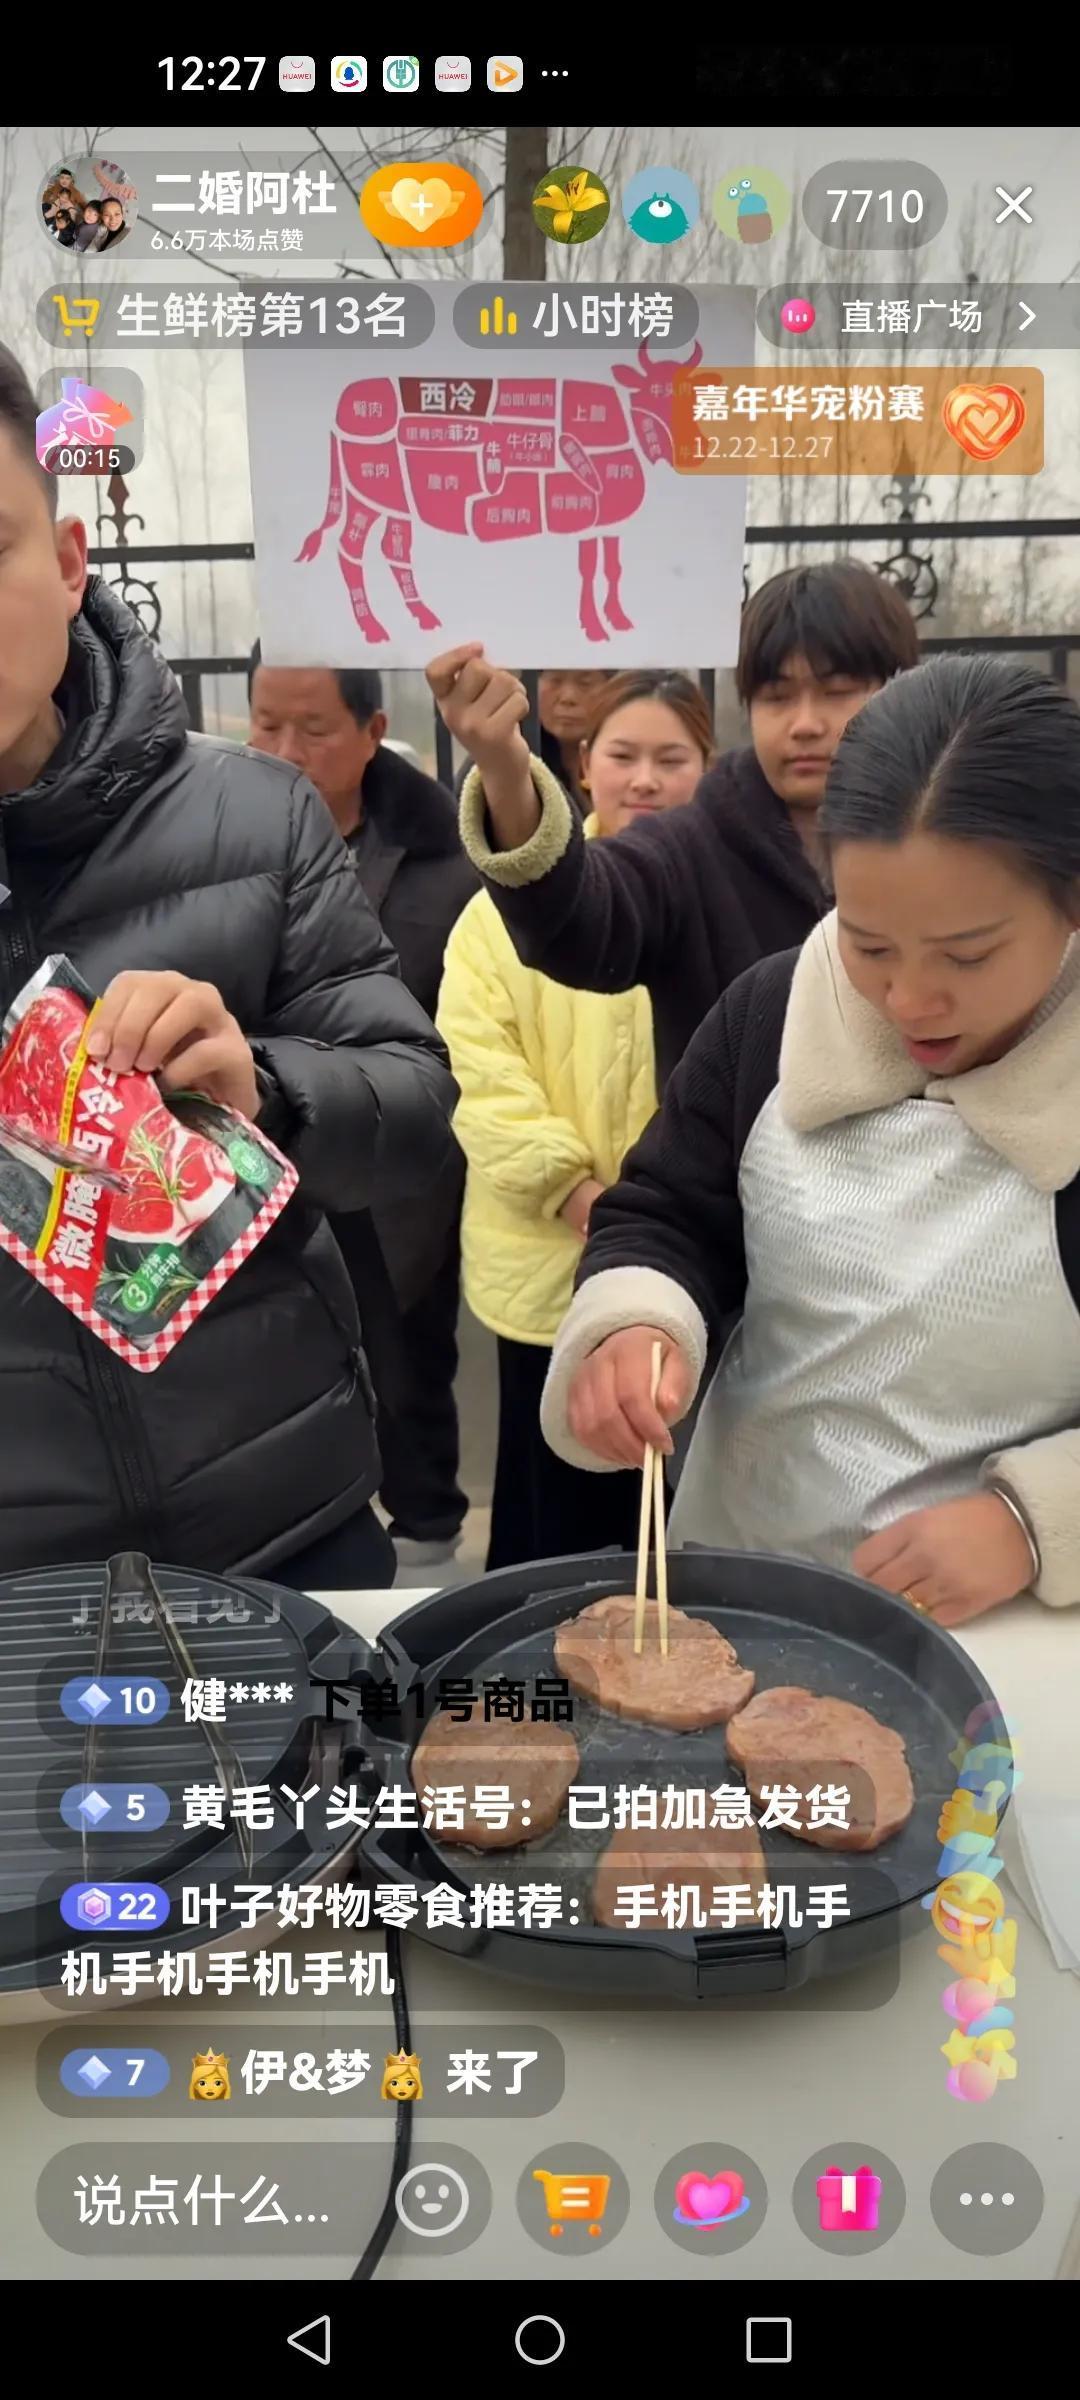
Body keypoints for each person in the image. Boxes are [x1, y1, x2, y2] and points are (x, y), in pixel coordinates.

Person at [0, 343, 457, 1588]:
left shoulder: (255, 815)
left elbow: (416, 1110)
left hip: (286, 1526)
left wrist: (262, 1086)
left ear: (66, 556)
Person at [541, 653, 1080, 1628]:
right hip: (741, 1582)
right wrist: (634, 1321)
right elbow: (668, 1214)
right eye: (870, 944)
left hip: (1009, 1622)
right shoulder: (773, 1012)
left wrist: (1033, 1518)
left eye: (968, 955)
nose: (909, 999)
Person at [428, 562, 921, 1088]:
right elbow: (578, 920)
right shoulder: (692, 847)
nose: (805, 723)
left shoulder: (955, 837)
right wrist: (503, 763)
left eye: (837, 690)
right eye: (777, 697)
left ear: (898, 689)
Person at [438, 672, 713, 1570]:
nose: (644, 779)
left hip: (687, 1272)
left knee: (674, 1507)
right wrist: (582, 1194)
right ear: (584, 766)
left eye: (671, 759)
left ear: (707, 770)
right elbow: (482, 1078)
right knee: (549, 1515)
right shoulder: (496, 918)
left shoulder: (715, 907)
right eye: (622, 755)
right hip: (545, 1265)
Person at [248, 651, 477, 1563]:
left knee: (413, 1367)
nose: (284, 748)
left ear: (375, 733)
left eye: (313, 729)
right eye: (266, 723)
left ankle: (427, 1548)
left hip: (400, 1174)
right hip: (264, 1158)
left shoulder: (444, 860)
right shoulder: (230, 838)